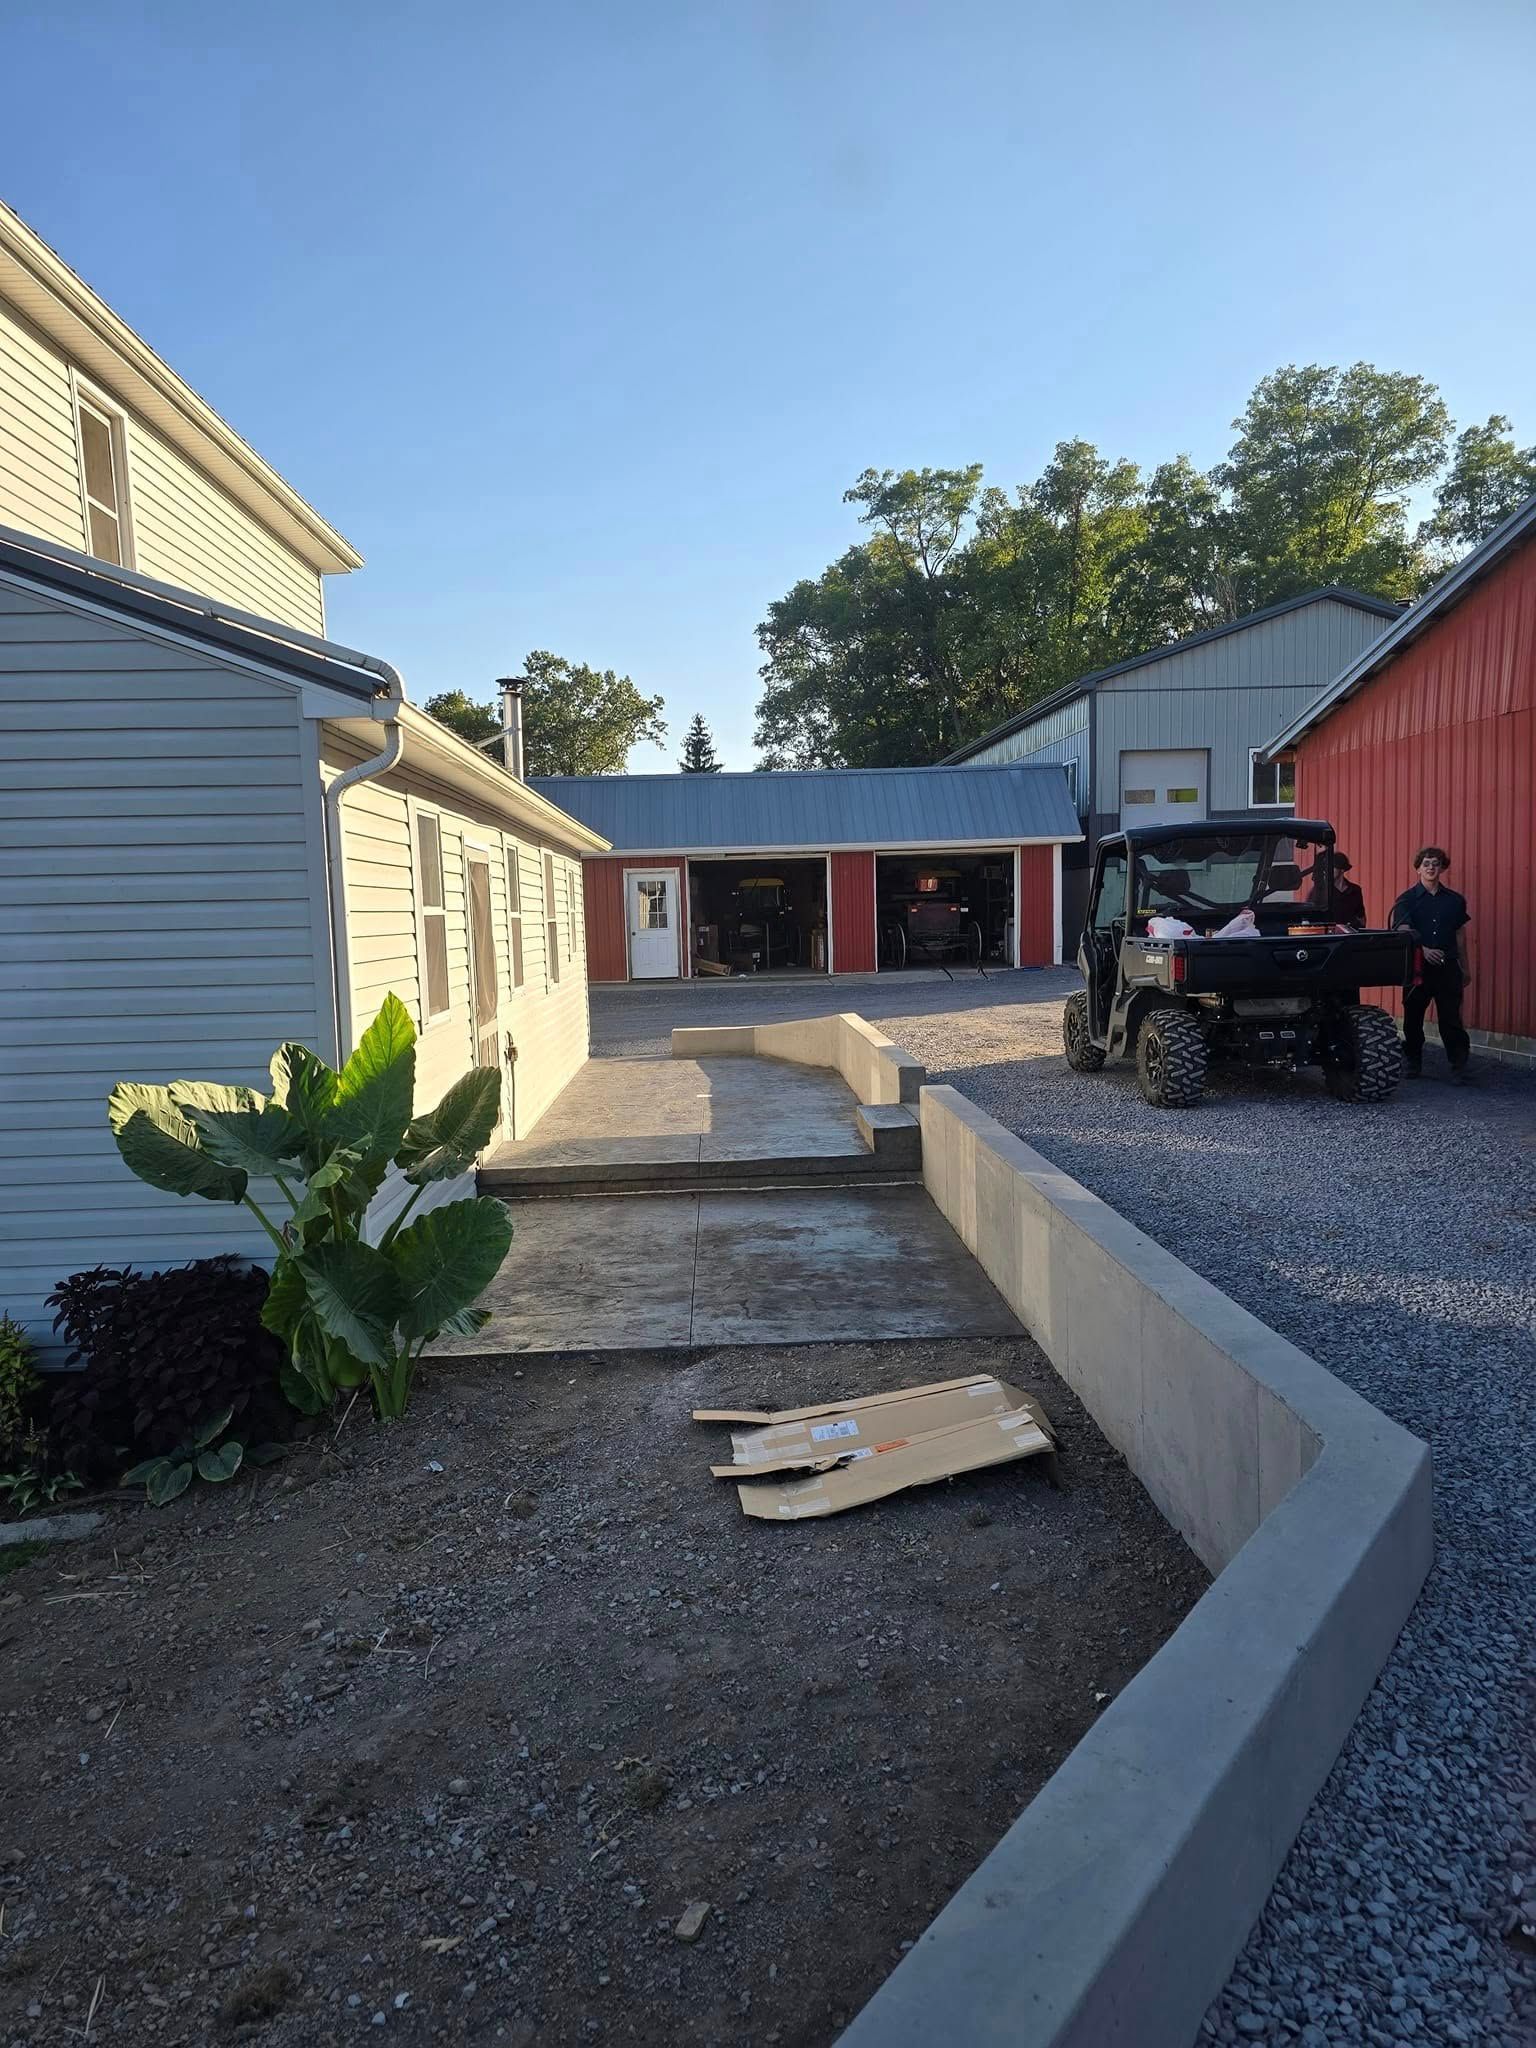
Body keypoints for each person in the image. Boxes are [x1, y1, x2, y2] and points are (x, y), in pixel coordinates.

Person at [1391, 846, 1472, 1082]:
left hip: (1448, 968)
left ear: (1442, 868)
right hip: (1417, 968)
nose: (1430, 868)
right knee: (1413, 1018)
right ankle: (1413, 1063)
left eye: (1435, 863)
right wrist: (1423, 951)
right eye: (1426, 863)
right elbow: (1404, 932)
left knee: (1451, 1020)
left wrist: (1465, 968)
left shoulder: (1455, 901)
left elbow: (1460, 937)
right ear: (1418, 868)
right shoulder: (1406, 900)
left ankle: (1458, 1067)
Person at [1302, 851, 1366, 927]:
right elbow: (1308, 918)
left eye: (1332, 867)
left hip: (1349, 936)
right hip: (1329, 937)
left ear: (1342, 869)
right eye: (1326, 867)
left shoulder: (1355, 890)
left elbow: (1362, 919)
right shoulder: (1319, 891)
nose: (1327, 870)